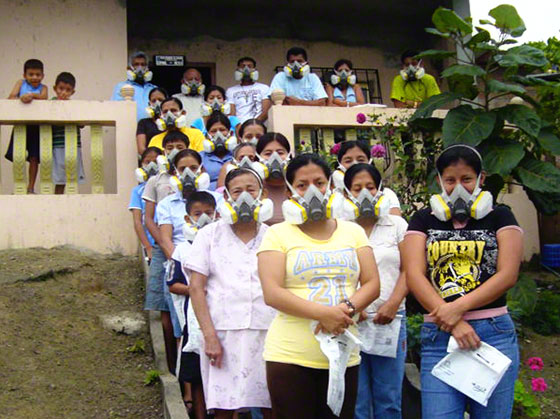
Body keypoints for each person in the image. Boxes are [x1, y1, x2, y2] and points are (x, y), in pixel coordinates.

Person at [257, 153, 381, 419]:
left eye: (320, 182)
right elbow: (272, 292)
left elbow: (372, 283)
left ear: (331, 185)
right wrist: (323, 313)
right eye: (302, 185)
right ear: (290, 191)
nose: (312, 190)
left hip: (343, 357)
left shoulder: (353, 231)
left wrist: (345, 308)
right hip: (290, 357)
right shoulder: (277, 234)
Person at [403, 144, 523, 418]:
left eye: (466, 179)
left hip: (493, 335)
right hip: (439, 335)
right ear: (439, 182)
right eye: (450, 180)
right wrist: (454, 321)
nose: (459, 186)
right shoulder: (423, 219)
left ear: (481, 179)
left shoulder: (501, 216)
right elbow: (414, 274)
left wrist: (457, 309)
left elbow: (508, 274)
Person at [187, 168, 276, 418]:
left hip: (268, 332)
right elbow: (196, 287)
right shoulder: (209, 235)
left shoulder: (274, 237)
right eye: (237, 191)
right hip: (223, 334)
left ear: (263, 195)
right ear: (226, 198)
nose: (244, 196)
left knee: (271, 404)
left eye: (251, 190)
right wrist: (209, 336)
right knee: (224, 407)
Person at [341, 164, 408, 419]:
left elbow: (409, 269)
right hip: (352, 322)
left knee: (388, 398)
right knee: (356, 398)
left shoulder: (397, 225)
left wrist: (393, 303)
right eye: (357, 188)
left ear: (380, 191)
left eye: (370, 187)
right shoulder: (340, 228)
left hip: (390, 320)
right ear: (347, 194)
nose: (364, 193)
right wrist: (353, 307)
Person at [142, 130, 190, 374]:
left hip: (189, 250)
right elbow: (148, 217)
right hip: (165, 249)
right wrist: (161, 244)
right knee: (164, 309)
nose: (173, 149)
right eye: (169, 146)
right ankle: (171, 366)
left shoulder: (197, 181)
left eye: (178, 145)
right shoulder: (156, 181)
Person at [167, 190, 217, 418]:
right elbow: (173, 283)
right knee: (196, 374)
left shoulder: (223, 243)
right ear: (188, 218)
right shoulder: (181, 250)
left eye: (209, 212)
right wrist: (195, 290)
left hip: (222, 316)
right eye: (198, 214)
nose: (204, 217)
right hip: (195, 321)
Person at [5, 58, 48, 194]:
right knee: (18, 155)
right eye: (31, 74)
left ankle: (30, 187)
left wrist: (32, 95)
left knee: (34, 158)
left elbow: (44, 98)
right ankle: (20, 186)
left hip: (35, 126)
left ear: (42, 76)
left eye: (38, 74)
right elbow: (11, 98)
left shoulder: (44, 88)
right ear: (24, 75)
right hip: (21, 125)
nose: (34, 77)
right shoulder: (20, 83)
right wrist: (21, 98)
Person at [332, 140, 402, 216]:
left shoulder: (387, 194)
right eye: (348, 161)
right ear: (340, 164)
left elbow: (396, 222)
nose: (355, 164)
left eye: (361, 160)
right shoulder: (332, 198)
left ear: (369, 162)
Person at [260, 47, 328, 120]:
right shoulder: (280, 77)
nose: (296, 65)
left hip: (311, 119)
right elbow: (278, 101)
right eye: (292, 62)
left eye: (299, 61)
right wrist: (311, 103)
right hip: (287, 118)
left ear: (306, 63)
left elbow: (321, 103)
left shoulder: (312, 78)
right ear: (287, 64)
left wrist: (297, 102)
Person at [50, 72, 86, 194]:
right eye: (61, 89)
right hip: (57, 145)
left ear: (72, 92)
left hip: (74, 145)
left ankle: (71, 203)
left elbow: (82, 124)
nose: (64, 92)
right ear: (55, 89)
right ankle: (58, 201)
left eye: (68, 90)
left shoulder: (73, 106)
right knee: (59, 178)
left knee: (72, 177)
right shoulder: (51, 104)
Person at [129, 146, 162, 261]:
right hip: (152, 243)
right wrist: (147, 246)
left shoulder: (169, 186)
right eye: (147, 162)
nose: (152, 165)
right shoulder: (137, 191)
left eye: (156, 162)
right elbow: (137, 221)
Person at [256, 133, 291, 225]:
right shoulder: (252, 187)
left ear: (289, 156)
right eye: (268, 153)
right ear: (258, 157)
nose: (275, 157)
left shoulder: (298, 186)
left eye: (280, 153)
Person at [111, 51, 157, 120]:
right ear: (129, 68)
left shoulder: (154, 89)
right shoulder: (121, 87)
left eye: (143, 64)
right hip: (129, 127)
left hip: (150, 129)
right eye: (136, 64)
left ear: (147, 68)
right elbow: (116, 109)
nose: (140, 67)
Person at [226, 57, 270, 123]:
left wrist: (254, 124)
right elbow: (232, 114)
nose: (246, 69)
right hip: (239, 128)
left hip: (259, 126)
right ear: (238, 70)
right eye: (243, 66)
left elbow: (266, 112)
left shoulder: (264, 88)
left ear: (255, 69)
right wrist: (238, 127)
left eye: (249, 66)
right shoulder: (231, 91)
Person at [200, 112, 237, 190]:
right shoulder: (200, 157)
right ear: (207, 135)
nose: (218, 134)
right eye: (213, 131)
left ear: (231, 133)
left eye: (222, 130)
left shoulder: (238, 155)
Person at [136, 87, 168, 155]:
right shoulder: (143, 123)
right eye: (153, 101)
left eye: (160, 100)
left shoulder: (172, 123)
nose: (157, 103)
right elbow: (141, 149)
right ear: (149, 104)